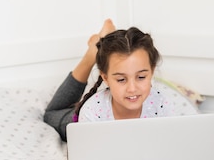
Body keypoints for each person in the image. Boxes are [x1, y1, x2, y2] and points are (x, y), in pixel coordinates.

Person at [44, 19, 198, 141]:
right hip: (93, 115)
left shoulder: (162, 105)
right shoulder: (92, 113)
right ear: (105, 78)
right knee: (51, 115)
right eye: (121, 79)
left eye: (141, 77)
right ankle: (93, 52)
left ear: (151, 72)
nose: (132, 88)